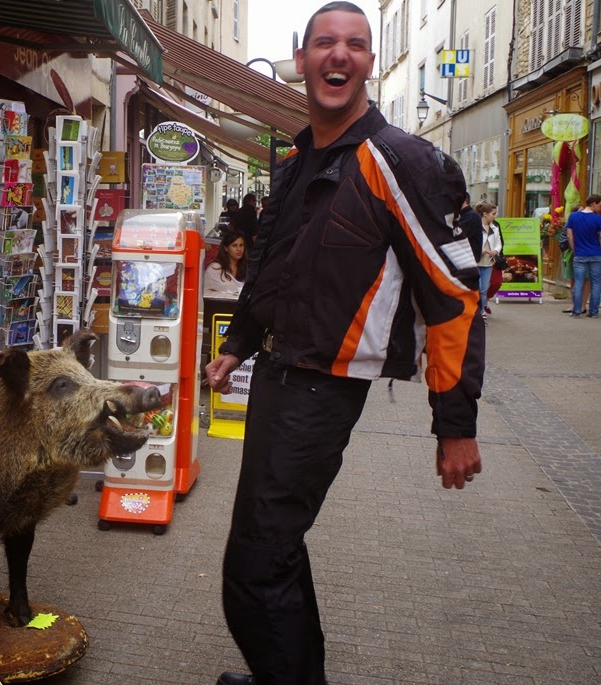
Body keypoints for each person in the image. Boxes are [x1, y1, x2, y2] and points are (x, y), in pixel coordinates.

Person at [205, 4, 484, 684]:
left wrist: (455, 425)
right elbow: (272, 265)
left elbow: (455, 300)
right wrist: (239, 343)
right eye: (323, 43)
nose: (340, 54)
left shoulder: (403, 162)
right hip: (277, 375)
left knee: (252, 569)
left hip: (323, 390)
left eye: (356, 44)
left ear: (368, 64)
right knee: (274, 549)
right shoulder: (301, 158)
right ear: (301, 60)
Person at [564, 193, 601, 318]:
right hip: (596, 254)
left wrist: (575, 250)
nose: (600, 208)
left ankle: (576, 311)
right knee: (595, 283)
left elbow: (569, 235)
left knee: (578, 283)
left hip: (579, 254)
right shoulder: (598, 219)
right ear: (593, 203)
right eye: (599, 205)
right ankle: (594, 312)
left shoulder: (573, 217)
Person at [475, 201, 504, 320]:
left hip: (488, 262)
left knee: (484, 289)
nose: (495, 216)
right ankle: (475, 311)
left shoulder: (495, 228)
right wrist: (479, 250)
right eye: (493, 213)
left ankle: (481, 311)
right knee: (477, 287)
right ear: (485, 214)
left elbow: (499, 243)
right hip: (476, 260)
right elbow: (470, 241)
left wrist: (496, 251)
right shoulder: (476, 226)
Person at [205, 230, 248, 296]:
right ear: (226, 248)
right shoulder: (215, 269)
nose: (239, 249)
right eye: (234, 245)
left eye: (241, 245)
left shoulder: (246, 267)